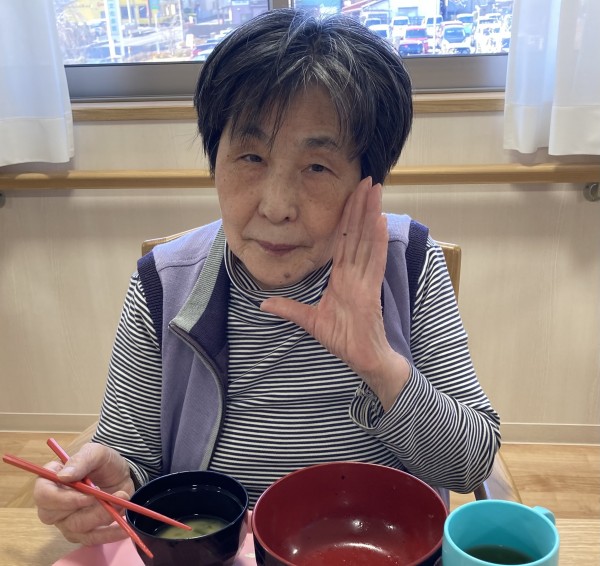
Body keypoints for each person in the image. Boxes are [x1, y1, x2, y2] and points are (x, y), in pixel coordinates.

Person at [34, 8, 500, 546]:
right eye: (251, 156)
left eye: (317, 167)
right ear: (215, 159)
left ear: (368, 181)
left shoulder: (408, 263)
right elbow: (131, 463)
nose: (276, 207)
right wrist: (113, 485)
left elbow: (469, 465)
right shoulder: (165, 284)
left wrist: (380, 364)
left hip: (379, 549)